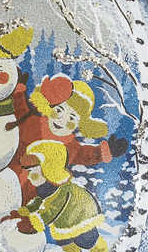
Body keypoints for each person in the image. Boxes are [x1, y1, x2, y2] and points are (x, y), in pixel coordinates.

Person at [9, 74, 128, 204]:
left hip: (31, 195)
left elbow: (85, 155)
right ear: (49, 107)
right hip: (7, 173)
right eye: (59, 110)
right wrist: (18, 91)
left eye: (71, 118)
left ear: (80, 125)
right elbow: (20, 110)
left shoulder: (71, 145)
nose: (62, 120)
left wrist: (105, 151)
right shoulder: (33, 123)